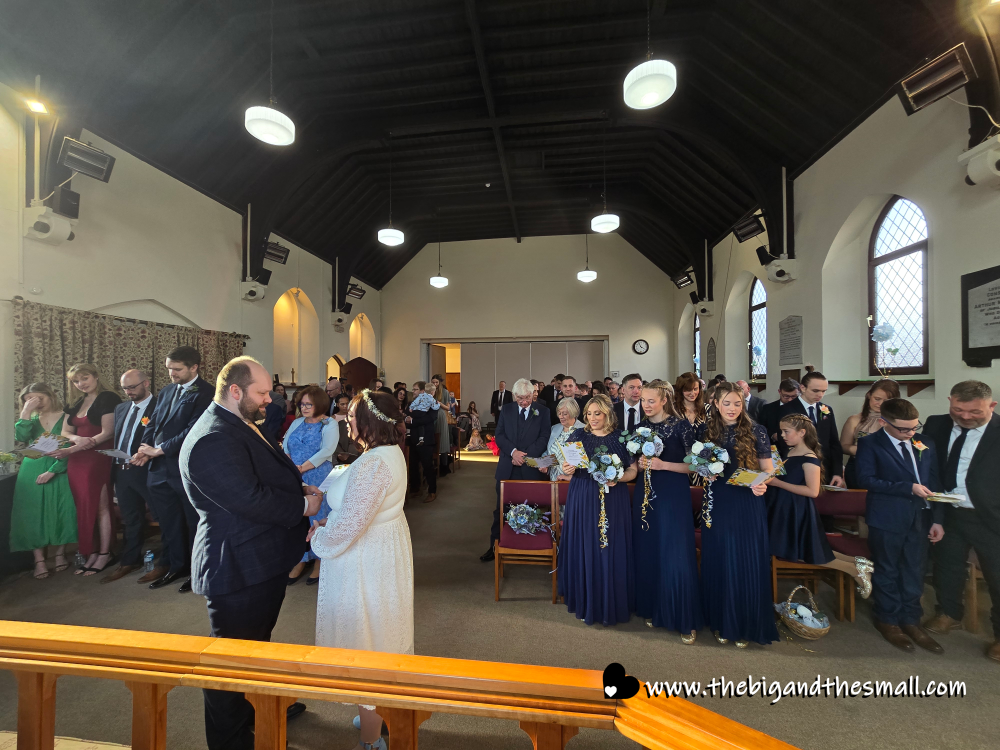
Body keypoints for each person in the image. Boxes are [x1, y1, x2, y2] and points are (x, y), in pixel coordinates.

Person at [181, 356, 318, 750]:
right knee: (229, 663)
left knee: (255, 645)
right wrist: (302, 507)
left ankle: (257, 706)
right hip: (237, 564)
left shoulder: (239, 420)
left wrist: (298, 488)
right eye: (262, 393)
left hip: (259, 557)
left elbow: (260, 473)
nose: (269, 400)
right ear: (235, 390)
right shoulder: (212, 436)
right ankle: (231, 740)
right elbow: (248, 498)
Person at [309, 389, 411, 750]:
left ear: (369, 421)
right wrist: (334, 515)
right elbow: (361, 509)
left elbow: (351, 526)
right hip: (381, 546)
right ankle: (377, 714)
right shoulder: (386, 452)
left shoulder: (374, 464)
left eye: (352, 416)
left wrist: (319, 537)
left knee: (365, 639)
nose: (346, 421)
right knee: (380, 633)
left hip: (366, 558)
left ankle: (371, 740)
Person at [855, 398, 943, 653]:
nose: (910, 433)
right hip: (887, 516)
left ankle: (911, 620)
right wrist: (907, 488)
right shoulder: (870, 443)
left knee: (915, 569)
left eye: (915, 426)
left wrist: (938, 519)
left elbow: (934, 480)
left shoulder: (924, 442)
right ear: (884, 422)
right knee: (888, 568)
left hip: (921, 516)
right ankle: (888, 619)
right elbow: (866, 479)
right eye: (904, 429)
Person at [922, 381, 1000, 663]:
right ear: (950, 401)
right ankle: (949, 613)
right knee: (946, 566)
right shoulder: (936, 424)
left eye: (975, 412)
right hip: (949, 512)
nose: (965, 417)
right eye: (958, 409)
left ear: (992, 406)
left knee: (998, 576)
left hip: (990, 515)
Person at [699, 382, 778, 647]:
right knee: (720, 557)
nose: (732, 408)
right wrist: (704, 471)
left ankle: (745, 623)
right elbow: (697, 464)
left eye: (737, 403)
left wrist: (762, 483)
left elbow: (769, 469)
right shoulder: (706, 430)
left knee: (744, 559)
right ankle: (721, 620)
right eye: (727, 403)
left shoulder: (757, 430)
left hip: (746, 501)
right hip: (717, 500)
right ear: (716, 404)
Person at [135, 346, 214, 591]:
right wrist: (144, 448)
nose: (172, 374)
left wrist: (160, 449)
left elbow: (194, 429)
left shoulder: (207, 392)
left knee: (193, 522)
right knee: (169, 522)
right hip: (159, 469)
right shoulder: (167, 390)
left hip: (185, 467)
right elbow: (153, 422)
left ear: (194, 367)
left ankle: (196, 570)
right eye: (169, 368)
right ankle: (176, 566)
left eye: (177, 369)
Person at [767, 414, 873, 596]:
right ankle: (857, 562)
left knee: (806, 553)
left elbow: (812, 491)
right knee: (809, 549)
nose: (782, 435)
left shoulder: (809, 458)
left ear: (802, 432)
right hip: (786, 508)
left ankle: (854, 570)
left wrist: (777, 483)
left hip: (798, 511)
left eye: (786, 431)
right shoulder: (791, 452)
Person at [556, 394, 638, 625]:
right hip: (583, 495)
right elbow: (569, 464)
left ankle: (611, 600)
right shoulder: (578, 435)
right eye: (589, 414)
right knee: (586, 543)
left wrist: (618, 478)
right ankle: (585, 599)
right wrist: (567, 468)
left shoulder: (621, 438)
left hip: (614, 497)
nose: (592, 418)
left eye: (597, 413)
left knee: (610, 545)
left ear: (608, 414)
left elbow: (633, 471)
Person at [633, 380, 702, 642]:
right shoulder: (640, 428)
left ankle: (684, 618)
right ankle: (654, 607)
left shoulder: (680, 425)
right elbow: (636, 464)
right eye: (643, 400)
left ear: (664, 401)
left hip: (673, 493)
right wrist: (640, 464)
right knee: (650, 548)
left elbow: (695, 466)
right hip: (646, 492)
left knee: (675, 551)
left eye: (651, 400)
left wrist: (664, 465)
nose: (646, 405)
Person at [57, 364, 121, 576]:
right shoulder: (75, 402)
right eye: (76, 381)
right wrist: (76, 440)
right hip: (77, 459)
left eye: (84, 378)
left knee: (101, 506)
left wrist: (75, 447)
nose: (81, 384)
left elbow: (108, 432)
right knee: (83, 506)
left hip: (98, 456)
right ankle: (91, 552)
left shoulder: (108, 397)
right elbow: (65, 432)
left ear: (95, 376)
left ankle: (105, 553)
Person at [9, 383, 76, 579]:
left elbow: (70, 446)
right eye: (29, 400)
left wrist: (54, 470)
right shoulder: (30, 419)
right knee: (32, 513)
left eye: (38, 398)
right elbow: (22, 437)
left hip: (60, 465)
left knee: (62, 509)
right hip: (33, 467)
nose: (35, 403)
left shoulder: (67, 416)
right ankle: (39, 560)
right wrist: (25, 412)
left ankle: (60, 553)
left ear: (50, 395)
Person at [482, 379, 550, 562]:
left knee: (532, 508)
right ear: (514, 396)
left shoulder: (543, 411)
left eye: (528, 397)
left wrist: (524, 456)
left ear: (533, 394)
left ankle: (529, 546)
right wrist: (513, 452)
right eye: (520, 398)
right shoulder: (507, 409)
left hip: (531, 468)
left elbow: (544, 437)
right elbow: (499, 435)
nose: (524, 402)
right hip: (507, 468)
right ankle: (495, 546)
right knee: (501, 509)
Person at [102, 370, 157, 583]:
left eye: (132, 387)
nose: (128, 392)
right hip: (121, 470)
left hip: (147, 470)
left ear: (146, 383)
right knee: (131, 518)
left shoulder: (160, 406)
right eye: (125, 388)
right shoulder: (121, 408)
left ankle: (169, 562)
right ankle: (129, 560)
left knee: (163, 516)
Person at [283, 385, 339, 586]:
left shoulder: (329, 423)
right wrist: (290, 465)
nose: (304, 408)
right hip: (295, 474)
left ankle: (319, 560)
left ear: (320, 404)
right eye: (302, 404)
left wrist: (302, 467)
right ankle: (301, 559)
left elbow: (327, 450)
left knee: (318, 516)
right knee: (298, 516)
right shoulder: (297, 422)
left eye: (309, 404)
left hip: (319, 474)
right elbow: (285, 444)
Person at [777, 371, 845, 487]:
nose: (820, 395)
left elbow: (834, 442)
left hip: (824, 467)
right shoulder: (787, 409)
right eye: (815, 391)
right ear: (803, 388)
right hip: (799, 468)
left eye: (823, 391)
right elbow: (783, 442)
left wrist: (837, 472)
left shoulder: (826, 410)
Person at [840, 379, 899, 489]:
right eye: (877, 399)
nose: (880, 404)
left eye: (886, 401)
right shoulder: (854, 419)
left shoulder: (897, 421)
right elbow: (843, 446)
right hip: (858, 466)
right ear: (869, 395)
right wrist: (865, 450)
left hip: (887, 467)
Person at [407, 383, 439, 503]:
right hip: (413, 438)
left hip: (426, 439)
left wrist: (413, 421)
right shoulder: (412, 403)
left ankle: (432, 491)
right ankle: (416, 489)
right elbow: (406, 416)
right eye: (413, 389)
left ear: (422, 391)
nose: (413, 391)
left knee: (427, 466)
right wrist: (407, 419)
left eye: (415, 389)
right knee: (413, 465)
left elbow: (430, 418)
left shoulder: (431, 402)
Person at [542, 397, 585, 481]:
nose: (561, 416)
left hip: (574, 481)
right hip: (554, 479)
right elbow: (549, 451)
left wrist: (570, 477)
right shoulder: (554, 428)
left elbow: (586, 460)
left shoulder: (584, 430)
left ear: (573, 413)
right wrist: (544, 463)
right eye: (559, 413)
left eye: (564, 414)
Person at [760, 378, 800, 443]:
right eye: (786, 396)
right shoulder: (768, 408)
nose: (790, 400)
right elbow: (761, 428)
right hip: (776, 445)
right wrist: (772, 435)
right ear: (779, 392)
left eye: (794, 396)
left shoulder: (802, 408)